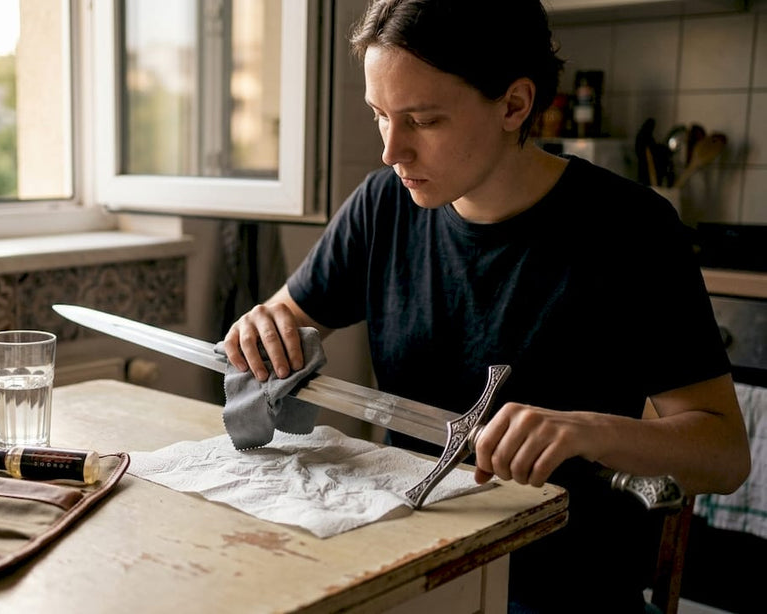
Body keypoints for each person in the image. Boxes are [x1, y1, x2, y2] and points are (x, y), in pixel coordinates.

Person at [221, 1, 751, 612]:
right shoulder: (381, 206)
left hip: (559, 591)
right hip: (405, 566)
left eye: (423, 120)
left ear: (514, 105)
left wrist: (588, 430)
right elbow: (284, 320)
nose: (392, 151)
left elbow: (724, 456)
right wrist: (264, 326)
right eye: (380, 115)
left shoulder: (631, 229)